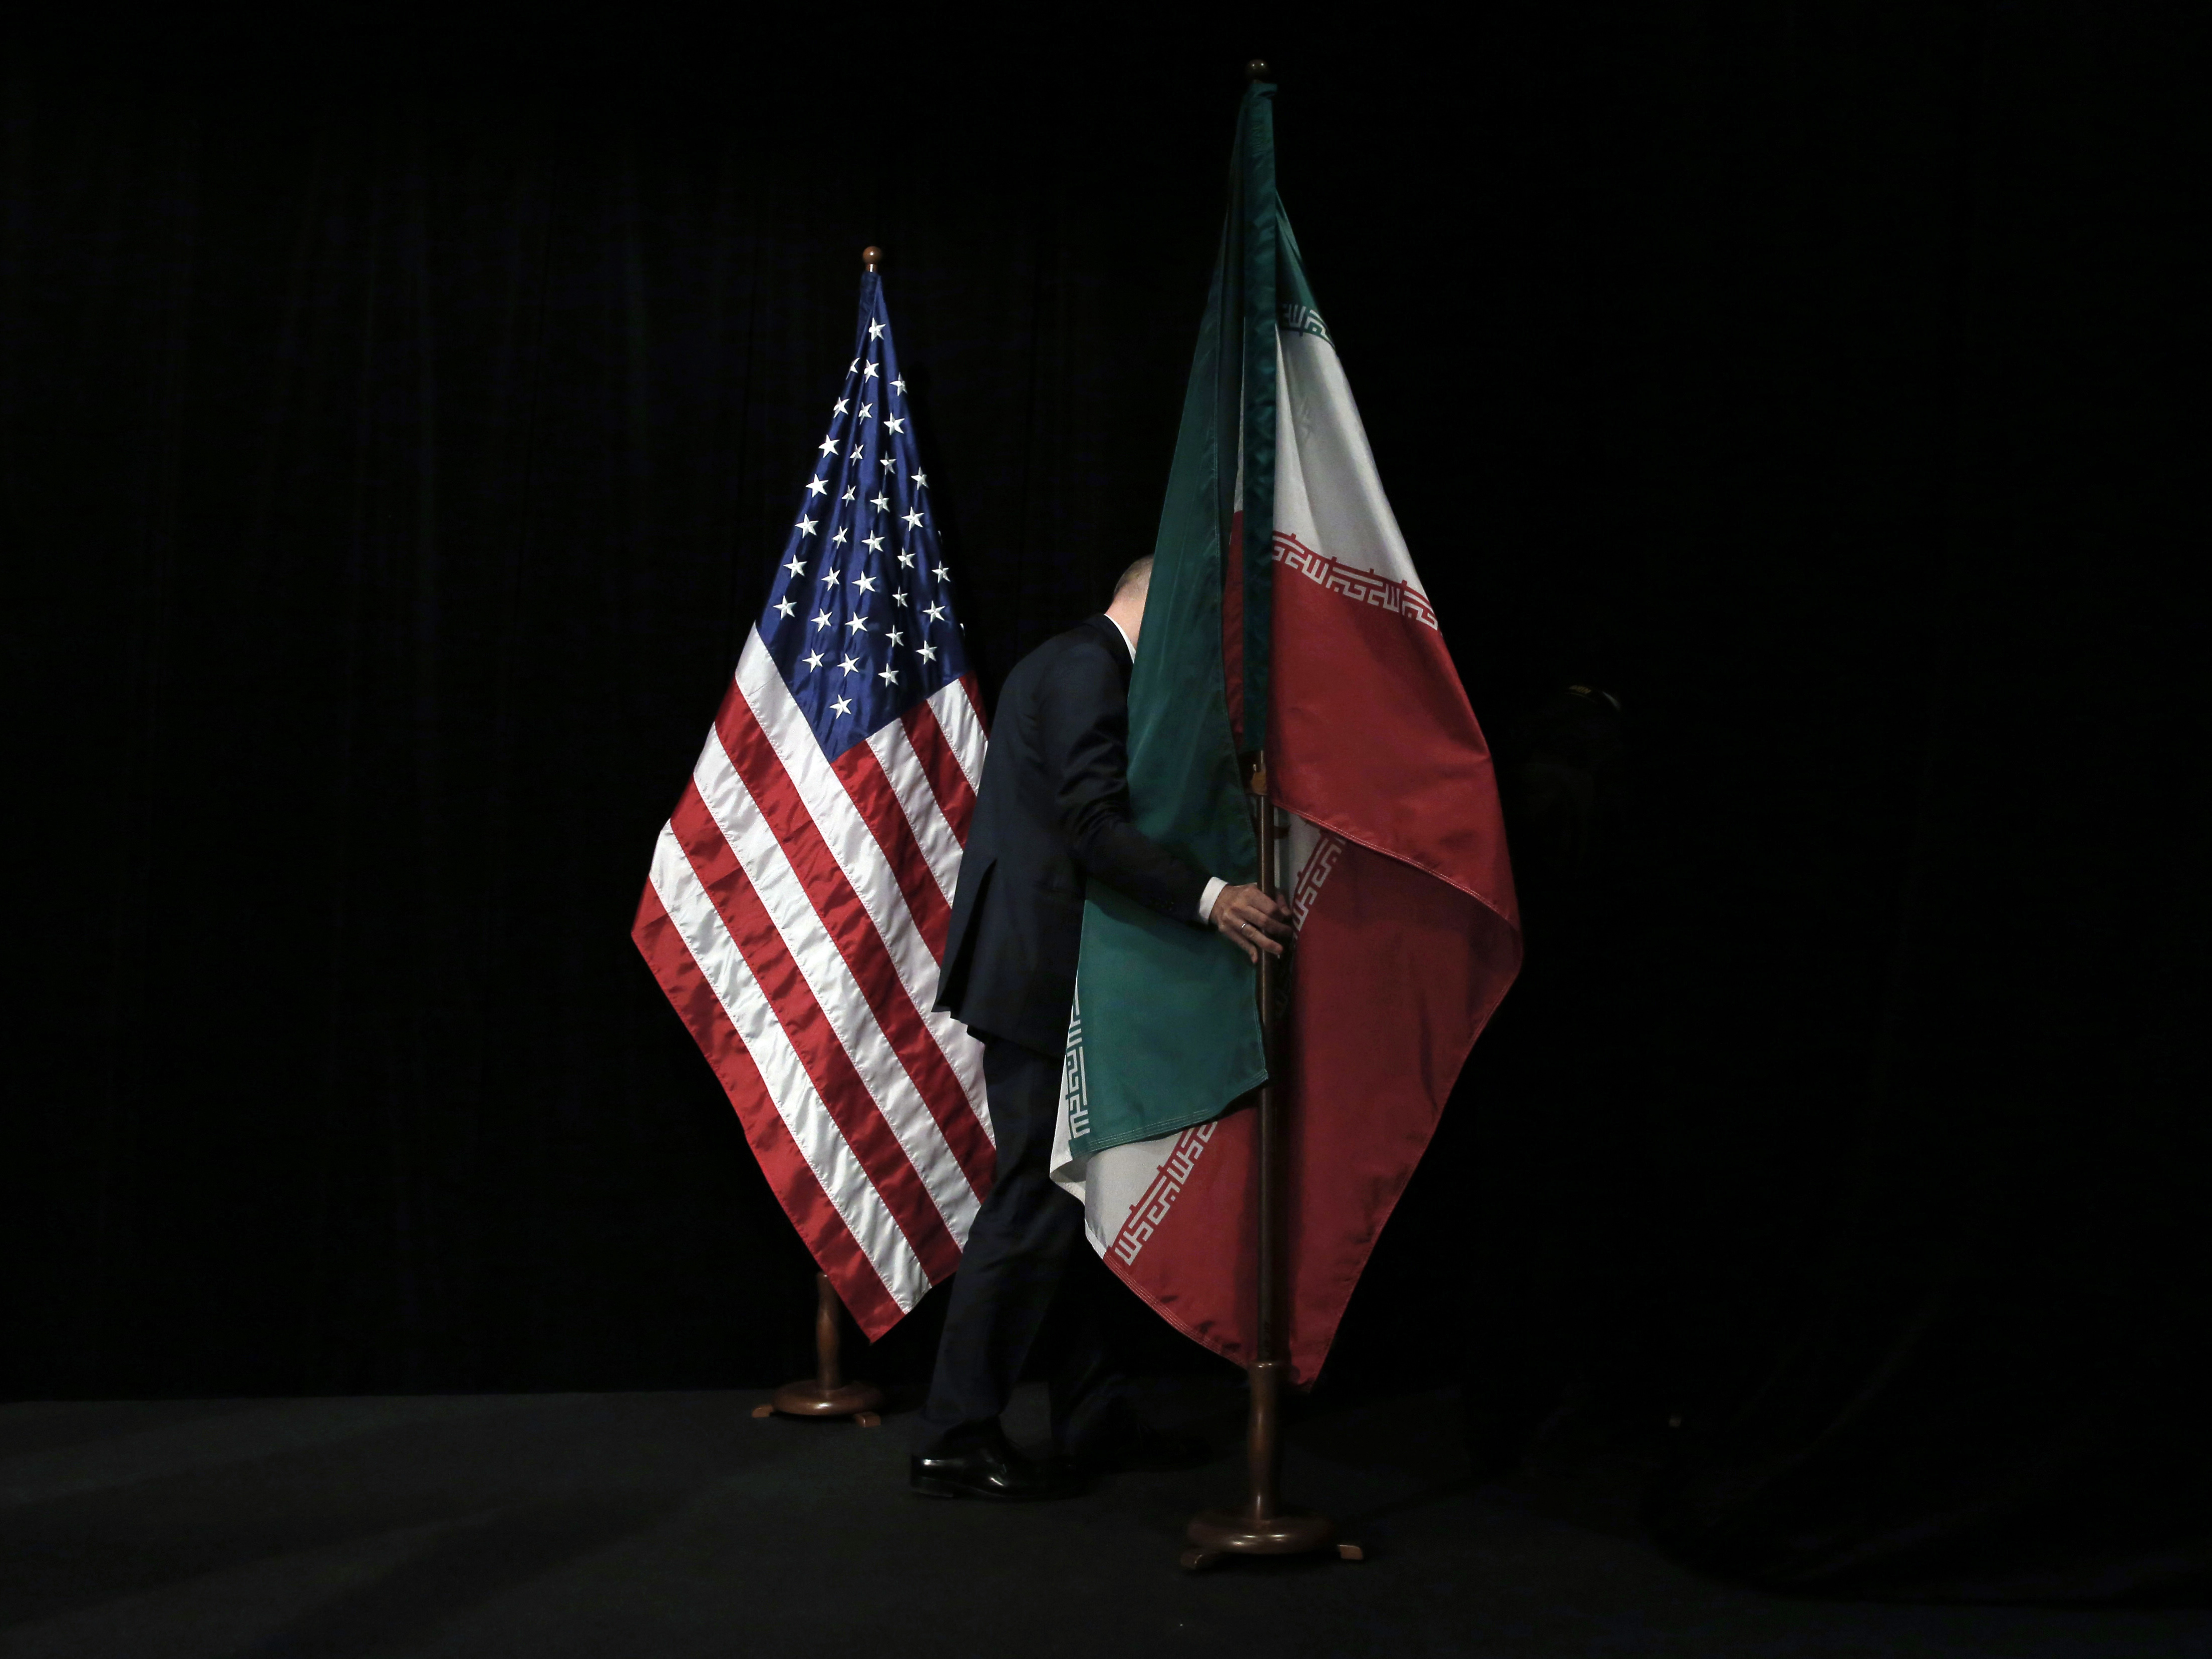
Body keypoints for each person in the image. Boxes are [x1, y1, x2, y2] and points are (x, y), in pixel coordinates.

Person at [911, 555, 1292, 1500]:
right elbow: (1090, 824)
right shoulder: (1089, 666)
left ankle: (1094, 1415)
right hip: (1039, 976)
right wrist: (1212, 897)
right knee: (1035, 1203)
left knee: (1080, 1205)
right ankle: (954, 1432)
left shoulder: (1075, 662)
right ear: (1152, 607)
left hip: (1058, 972)